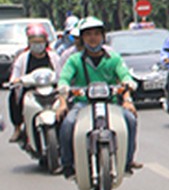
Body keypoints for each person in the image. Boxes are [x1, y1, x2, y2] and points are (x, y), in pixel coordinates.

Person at [54, 16, 140, 177]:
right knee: (68, 123)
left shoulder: (113, 58)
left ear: (102, 36)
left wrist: (127, 98)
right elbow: (64, 79)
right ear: (82, 38)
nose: (93, 38)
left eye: (96, 34)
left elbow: (125, 77)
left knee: (130, 119)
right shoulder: (74, 60)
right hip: (82, 104)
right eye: (88, 35)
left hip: (111, 104)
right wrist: (63, 101)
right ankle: (67, 164)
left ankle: (128, 161)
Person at [6, 23, 63, 143]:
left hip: (51, 90)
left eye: (40, 41)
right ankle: (18, 128)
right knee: (13, 97)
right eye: (34, 41)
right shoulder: (22, 58)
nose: (37, 44)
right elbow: (15, 75)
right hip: (30, 90)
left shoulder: (53, 57)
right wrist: (16, 81)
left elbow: (61, 73)